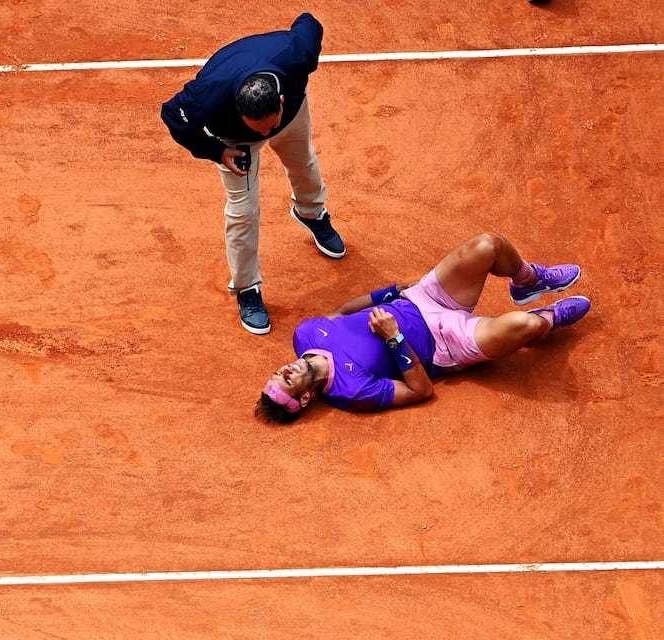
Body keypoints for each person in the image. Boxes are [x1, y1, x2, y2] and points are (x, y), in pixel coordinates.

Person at [256, 232, 591, 422]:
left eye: (278, 372)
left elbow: (342, 310)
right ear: (302, 399)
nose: (285, 370)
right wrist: (395, 339)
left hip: (421, 298)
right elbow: (420, 391)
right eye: (287, 381)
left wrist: (393, 291)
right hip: (447, 343)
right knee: (526, 324)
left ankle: (528, 281)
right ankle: (551, 318)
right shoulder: (351, 393)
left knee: (489, 245)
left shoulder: (305, 335)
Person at [161, 13, 345, 336]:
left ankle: (312, 213)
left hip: (293, 115)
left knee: (304, 163)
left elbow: (309, 22)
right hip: (236, 142)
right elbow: (173, 116)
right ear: (237, 108)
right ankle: (247, 289)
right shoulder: (210, 94)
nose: (265, 134)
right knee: (243, 212)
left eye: (268, 126)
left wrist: (278, 125)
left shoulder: (297, 54)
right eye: (259, 127)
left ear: (280, 99)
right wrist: (217, 151)